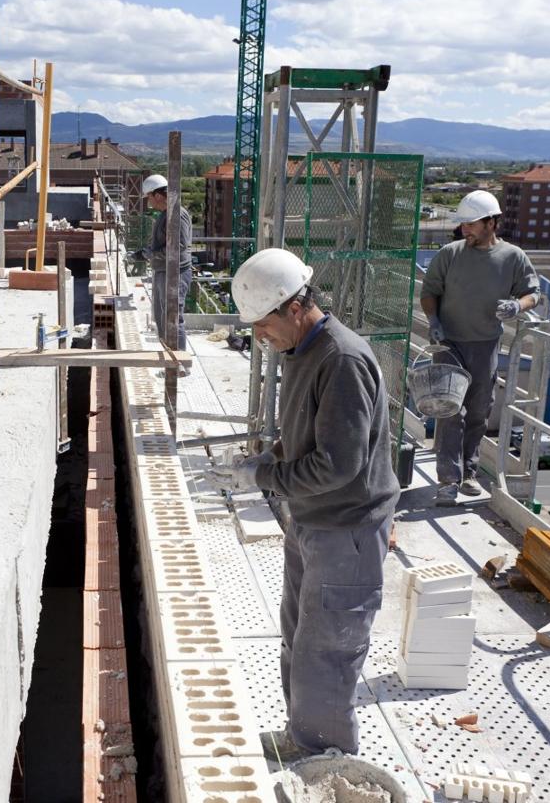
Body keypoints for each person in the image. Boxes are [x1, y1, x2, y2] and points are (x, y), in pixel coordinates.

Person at [210, 247, 398, 760]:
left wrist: (264, 475)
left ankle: (328, 764)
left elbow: (340, 465)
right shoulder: (302, 351)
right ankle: (304, 741)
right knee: (297, 640)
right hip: (313, 521)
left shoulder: (341, 360)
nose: (259, 337)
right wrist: (266, 458)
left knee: (326, 655)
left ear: (295, 306)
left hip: (347, 532)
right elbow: (307, 440)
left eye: (263, 324)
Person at [420, 189, 540, 506]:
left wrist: (517, 306)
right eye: (463, 225)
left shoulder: (512, 257)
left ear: (491, 222)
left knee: (477, 411)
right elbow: (429, 291)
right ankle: (448, 480)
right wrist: (433, 320)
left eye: (472, 224)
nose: (465, 230)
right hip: (448, 343)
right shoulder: (450, 254)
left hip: (485, 345)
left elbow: (533, 293)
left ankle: (469, 474)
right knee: (450, 410)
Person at [141, 174, 193, 352]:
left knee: (173, 318)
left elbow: (177, 247)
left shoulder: (177, 214)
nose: (148, 202)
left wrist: (153, 254)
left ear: (157, 195)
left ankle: (179, 365)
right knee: (162, 316)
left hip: (175, 273)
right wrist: (146, 253)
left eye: (148, 197)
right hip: (164, 271)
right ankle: (169, 357)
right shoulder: (165, 214)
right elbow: (164, 243)